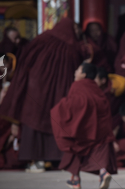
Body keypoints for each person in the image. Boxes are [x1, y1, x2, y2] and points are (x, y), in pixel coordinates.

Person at [0, 18, 85, 172]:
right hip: (58, 93)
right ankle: (57, 159)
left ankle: (35, 160)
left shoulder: (42, 39)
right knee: (57, 121)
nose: (77, 32)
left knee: (35, 121)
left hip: (36, 90)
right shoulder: (72, 48)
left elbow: (25, 61)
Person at [50, 63, 117, 189]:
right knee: (100, 147)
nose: (75, 72)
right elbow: (102, 105)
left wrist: (59, 107)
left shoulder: (78, 85)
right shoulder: (96, 88)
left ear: (84, 74)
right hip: (98, 126)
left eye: (78, 70)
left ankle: (76, 179)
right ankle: (103, 172)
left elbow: (75, 104)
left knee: (75, 144)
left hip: (83, 125)